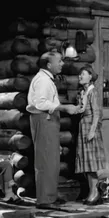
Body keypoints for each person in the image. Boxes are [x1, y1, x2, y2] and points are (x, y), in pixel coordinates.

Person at [27, 51, 78, 209]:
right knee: (46, 160)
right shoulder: (43, 80)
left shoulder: (46, 79)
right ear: (49, 65)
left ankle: (50, 196)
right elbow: (41, 104)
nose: (62, 64)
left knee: (52, 159)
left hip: (48, 119)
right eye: (59, 61)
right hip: (44, 119)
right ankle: (45, 200)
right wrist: (64, 107)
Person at [75, 65, 107, 206]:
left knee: (92, 162)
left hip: (90, 127)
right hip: (83, 125)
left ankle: (94, 193)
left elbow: (97, 113)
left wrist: (93, 130)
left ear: (90, 76)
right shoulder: (83, 92)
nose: (80, 76)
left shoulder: (93, 91)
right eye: (79, 74)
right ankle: (91, 192)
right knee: (87, 163)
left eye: (83, 74)